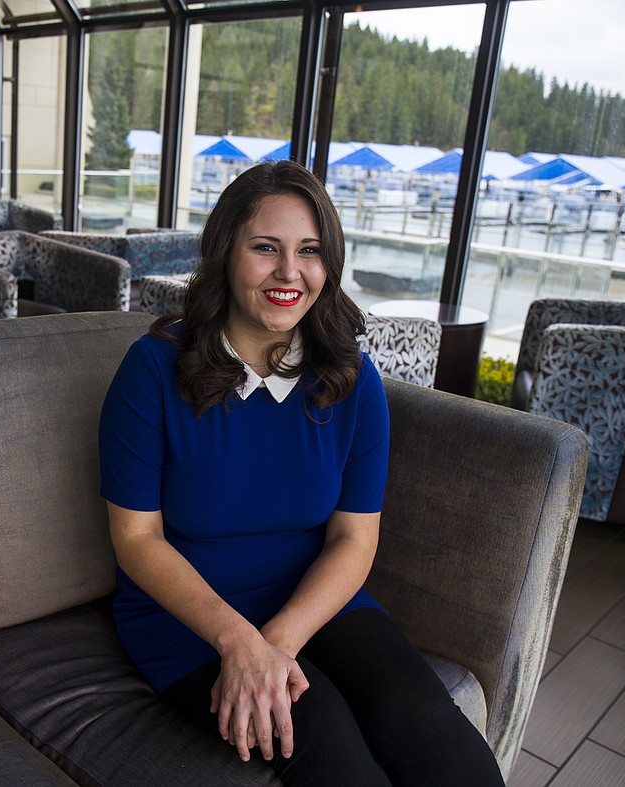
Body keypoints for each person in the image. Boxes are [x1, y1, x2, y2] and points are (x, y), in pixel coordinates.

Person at [98, 160, 504, 786]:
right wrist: (239, 643)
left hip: (316, 602)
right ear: (225, 252)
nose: (290, 272)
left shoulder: (351, 380)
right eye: (266, 248)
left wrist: (277, 642)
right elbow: (136, 540)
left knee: (434, 735)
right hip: (188, 620)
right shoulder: (151, 370)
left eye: (310, 251)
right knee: (332, 750)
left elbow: (354, 538)